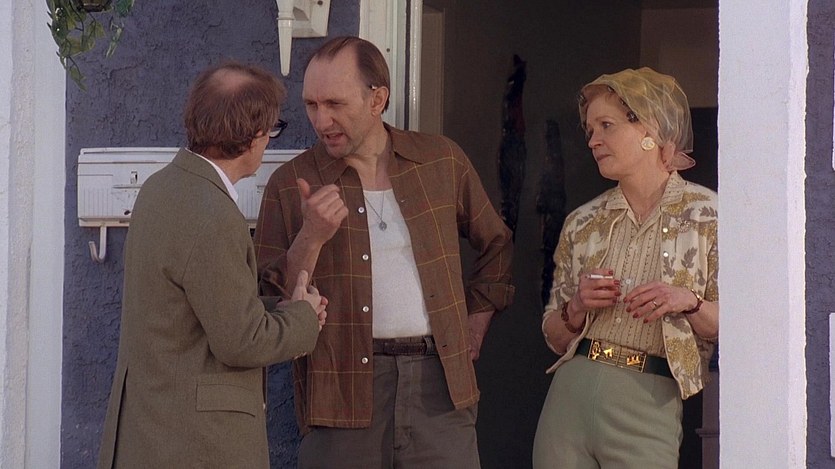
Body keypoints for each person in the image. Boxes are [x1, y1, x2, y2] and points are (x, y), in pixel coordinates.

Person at [254, 36, 515, 468]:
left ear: (377, 99)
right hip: (340, 390)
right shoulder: (291, 182)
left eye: (335, 103)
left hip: (441, 386)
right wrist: (311, 236)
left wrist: (476, 322)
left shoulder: (440, 161)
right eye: (311, 105)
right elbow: (267, 300)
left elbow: (497, 244)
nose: (321, 120)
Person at [97, 61, 327, 469]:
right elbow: (242, 341)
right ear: (253, 135)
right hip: (194, 446)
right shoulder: (211, 213)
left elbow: (201, 306)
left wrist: (284, 306)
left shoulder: (161, 188)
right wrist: (304, 319)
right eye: (271, 129)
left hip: (152, 433)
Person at [532, 68, 719, 468]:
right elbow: (553, 336)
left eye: (606, 125)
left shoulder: (710, 216)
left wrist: (688, 301)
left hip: (650, 397)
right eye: (590, 130)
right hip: (570, 393)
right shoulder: (582, 222)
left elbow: (740, 328)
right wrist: (576, 307)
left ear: (650, 127)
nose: (593, 141)